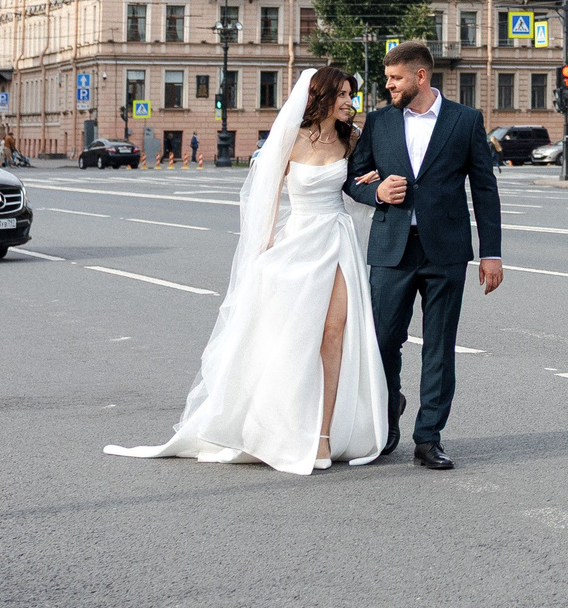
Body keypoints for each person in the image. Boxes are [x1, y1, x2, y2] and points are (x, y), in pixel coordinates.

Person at [106, 66, 389, 474]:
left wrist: (371, 183)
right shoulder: (290, 137)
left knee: (334, 332)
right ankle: (278, 424)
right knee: (293, 338)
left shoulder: (352, 139)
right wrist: (263, 249)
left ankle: (324, 435)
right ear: (322, 97)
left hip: (338, 239)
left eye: (351, 94)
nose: (350, 101)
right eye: (343, 94)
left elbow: (357, 185)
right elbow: (266, 195)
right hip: (299, 243)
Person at [341, 42, 502, 470]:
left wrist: (491, 254)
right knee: (382, 341)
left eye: (395, 78)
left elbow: (484, 189)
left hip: (445, 251)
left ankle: (428, 437)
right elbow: (351, 178)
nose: (389, 85)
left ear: (420, 76)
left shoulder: (465, 121)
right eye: (387, 79)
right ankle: (388, 412)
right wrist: (376, 192)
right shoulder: (379, 121)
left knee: (439, 347)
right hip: (391, 249)